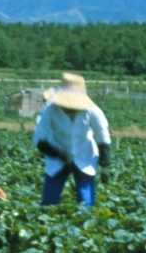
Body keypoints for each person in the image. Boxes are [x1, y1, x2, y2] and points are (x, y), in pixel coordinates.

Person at [32, 73, 111, 206]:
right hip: (56, 155)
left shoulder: (93, 111)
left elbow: (103, 138)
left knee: (86, 201)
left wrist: (105, 166)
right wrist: (60, 154)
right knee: (49, 200)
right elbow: (39, 139)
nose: (68, 108)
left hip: (84, 156)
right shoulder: (50, 109)